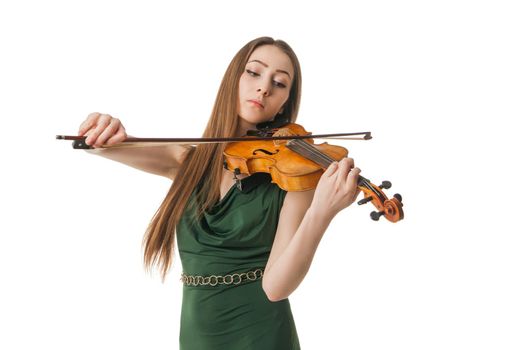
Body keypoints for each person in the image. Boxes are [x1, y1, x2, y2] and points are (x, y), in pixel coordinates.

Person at [77, 36, 361, 350]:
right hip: (198, 337)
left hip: (262, 336)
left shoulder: (295, 176)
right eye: (254, 73)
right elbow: (104, 145)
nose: (264, 87)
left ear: (284, 102)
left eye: (279, 83)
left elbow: (276, 287)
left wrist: (321, 213)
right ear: (232, 78)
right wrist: (103, 130)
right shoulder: (187, 160)